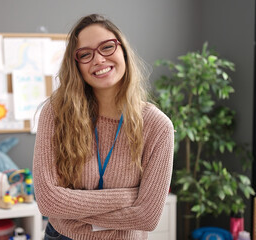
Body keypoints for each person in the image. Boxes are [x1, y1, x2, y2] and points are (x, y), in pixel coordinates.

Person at [33, 14, 174, 240]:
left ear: (123, 51)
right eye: (85, 54)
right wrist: (129, 197)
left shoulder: (157, 126)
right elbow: (48, 202)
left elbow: (148, 217)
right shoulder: (56, 113)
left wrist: (72, 212)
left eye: (107, 47)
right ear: (75, 65)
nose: (98, 60)